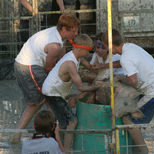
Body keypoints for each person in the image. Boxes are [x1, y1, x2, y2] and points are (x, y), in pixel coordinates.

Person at [12, 14, 80, 144]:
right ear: (64, 29)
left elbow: (60, 60)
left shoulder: (58, 35)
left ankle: (54, 133)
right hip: (28, 67)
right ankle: (56, 135)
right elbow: (50, 68)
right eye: (74, 31)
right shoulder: (54, 45)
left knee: (45, 99)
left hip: (27, 64)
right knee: (43, 99)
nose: (76, 33)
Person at [102, 29, 154, 153]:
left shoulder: (126, 59)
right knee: (135, 118)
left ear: (109, 45)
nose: (105, 48)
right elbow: (121, 63)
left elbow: (133, 81)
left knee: (129, 121)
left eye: (104, 46)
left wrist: (120, 78)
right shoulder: (129, 47)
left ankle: (144, 151)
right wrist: (103, 66)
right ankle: (136, 144)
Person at [42, 34, 99, 153]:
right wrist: (98, 86)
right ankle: (66, 150)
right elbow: (80, 87)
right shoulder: (70, 64)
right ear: (79, 49)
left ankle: (60, 146)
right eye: (88, 51)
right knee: (72, 121)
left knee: (61, 122)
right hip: (52, 93)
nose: (89, 53)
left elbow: (91, 68)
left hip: (55, 91)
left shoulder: (77, 57)